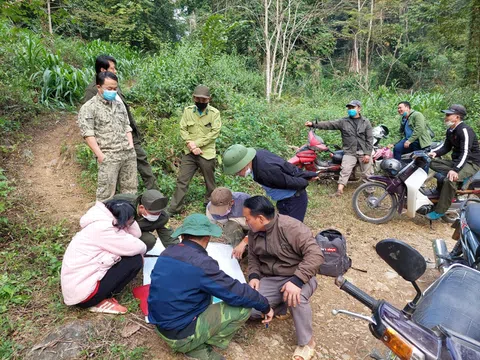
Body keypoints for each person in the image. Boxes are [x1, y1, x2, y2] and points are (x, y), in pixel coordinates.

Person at [148, 214, 273, 360]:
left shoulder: (167, 252)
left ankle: (191, 341)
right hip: (180, 334)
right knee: (243, 307)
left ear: (182, 236)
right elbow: (236, 292)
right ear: (207, 238)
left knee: (207, 292)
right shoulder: (202, 263)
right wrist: (265, 305)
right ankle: (197, 345)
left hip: (161, 325)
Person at [243, 196, 324, 360]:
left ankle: (307, 343)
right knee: (249, 310)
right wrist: (254, 276)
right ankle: (282, 307)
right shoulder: (254, 232)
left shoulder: (291, 227)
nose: (246, 223)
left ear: (260, 218)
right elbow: (253, 257)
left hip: (299, 276)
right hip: (271, 278)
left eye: (247, 219)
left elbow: (316, 255)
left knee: (296, 297)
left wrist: (297, 281)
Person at [83, 55, 158, 190]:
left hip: (127, 133)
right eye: (113, 68)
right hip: (109, 141)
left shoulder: (114, 84)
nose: (115, 71)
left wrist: (131, 131)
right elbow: (90, 120)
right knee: (112, 174)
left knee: (141, 161)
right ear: (102, 69)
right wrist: (99, 151)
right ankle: (116, 204)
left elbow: (123, 111)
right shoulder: (92, 90)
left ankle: (154, 194)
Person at [61, 200, 146, 314]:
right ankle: (98, 300)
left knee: (127, 255)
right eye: (130, 221)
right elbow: (139, 246)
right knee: (135, 260)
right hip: (84, 295)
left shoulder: (102, 220)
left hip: (78, 286)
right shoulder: (103, 229)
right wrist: (127, 222)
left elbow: (137, 235)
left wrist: (128, 220)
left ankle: (100, 295)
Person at [77, 71, 137, 201]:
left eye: (115, 89)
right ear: (99, 87)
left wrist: (131, 146)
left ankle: (127, 219)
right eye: (109, 89)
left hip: (127, 154)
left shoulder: (119, 105)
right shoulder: (89, 107)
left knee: (130, 193)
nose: (113, 91)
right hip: (108, 156)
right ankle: (104, 220)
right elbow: (88, 134)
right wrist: (100, 155)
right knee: (106, 196)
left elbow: (127, 126)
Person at [222, 145, 317, 222]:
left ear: (244, 163)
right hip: (285, 200)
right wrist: (307, 174)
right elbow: (286, 166)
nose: (238, 175)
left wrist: (305, 180)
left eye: (238, 171)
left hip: (292, 201)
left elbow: (288, 182)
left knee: (291, 232)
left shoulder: (264, 172)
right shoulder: (259, 154)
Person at [168, 85, 222, 214]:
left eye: (204, 100)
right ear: (193, 98)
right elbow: (183, 129)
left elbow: (215, 132)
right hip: (189, 153)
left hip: (206, 153)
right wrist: (191, 146)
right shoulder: (188, 111)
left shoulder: (215, 113)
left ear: (209, 99)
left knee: (210, 183)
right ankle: (174, 208)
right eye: (198, 99)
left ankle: (211, 206)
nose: (201, 102)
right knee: (182, 180)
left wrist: (196, 144)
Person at [305, 100, 373, 197]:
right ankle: (339, 191)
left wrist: (367, 154)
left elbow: (370, 139)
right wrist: (313, 124)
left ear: (359, 108)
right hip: (350, 152)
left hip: (363, 151)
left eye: (352, 108)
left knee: (368, 173)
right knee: (345, 170)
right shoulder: (343, 122)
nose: (350, 110)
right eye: (349, 108)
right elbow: (329, 124)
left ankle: (370, 192)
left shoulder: (365, 122)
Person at [426, 104, 480, 220]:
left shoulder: (465, 130)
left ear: (457, 117)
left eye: (448, 115)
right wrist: (434, 153)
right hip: (458, 161)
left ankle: (440, 211)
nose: (446, 117)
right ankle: (458, 179)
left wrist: (455, 170)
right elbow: (446, 147)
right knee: (432, 162)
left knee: (449, 180)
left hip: (471, 162)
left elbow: (466, 152)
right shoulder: (450, 130)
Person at [113, 190, 178, 251]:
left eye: (159, 212)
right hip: (114, 233)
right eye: (154, 213)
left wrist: (178, 252)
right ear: (141, 207)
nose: (157, 215)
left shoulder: (162, 217)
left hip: (136, 235)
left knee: (149, 240)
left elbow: (169, 237)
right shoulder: (122, 203)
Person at [206, 187, 251, 259]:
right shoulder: (210, 207)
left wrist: (245, 241)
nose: (219, 214)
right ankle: (240, 255)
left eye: (221, 210)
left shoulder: (244, 201)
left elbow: (260, 225)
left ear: (232, 202)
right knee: (230, 226)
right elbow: (208, 227)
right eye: (216, 210)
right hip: (236, 229)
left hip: (252, 229)